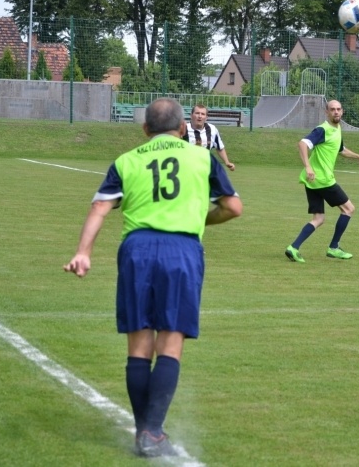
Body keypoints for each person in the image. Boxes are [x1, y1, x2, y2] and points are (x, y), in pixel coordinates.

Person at [63, 98, 242, 458]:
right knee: (170, 343)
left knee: (139, 347)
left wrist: (83, 251)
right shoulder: (201, 157)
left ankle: (144, 432)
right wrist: (198, 218)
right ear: (183, 129)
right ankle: (154, 432)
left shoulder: (127, 161)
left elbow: (100, 206)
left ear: (145, 130)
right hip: (182, 251)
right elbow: (233, 207)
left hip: (137, 250)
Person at [285, 99, 359, 263]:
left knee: (319, 219)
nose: (336, 112)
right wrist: (308, 166)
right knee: (348, 209)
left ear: (342, 111)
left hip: (312, 182)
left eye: (338, 109)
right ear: (326, 112)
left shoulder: (336, 130)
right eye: (332, 109)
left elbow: (341, 150)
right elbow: (302, 144)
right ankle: (334, 247)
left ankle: (293, 248)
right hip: (322, 180)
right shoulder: (322, 130)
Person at [184, 103, 236, 170]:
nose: (200, 116)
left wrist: (227, 162)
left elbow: (220, 147)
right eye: (197, 113)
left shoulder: (212, 129)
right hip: (186, 168)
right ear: (191, 115)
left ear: (206, 117)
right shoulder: (183, 129)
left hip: (205, 169)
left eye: (203, 114)